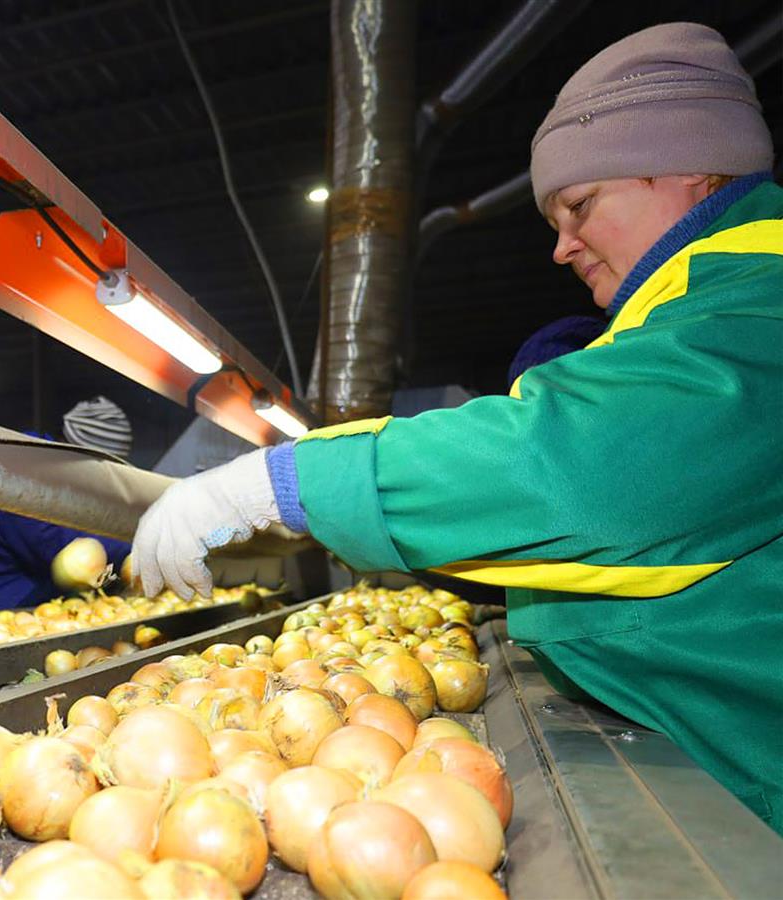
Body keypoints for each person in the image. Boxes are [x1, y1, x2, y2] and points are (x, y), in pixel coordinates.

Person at [132, 23, 782, 832]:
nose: (561, 247)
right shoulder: (705, 309)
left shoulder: (757, 309)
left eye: (579, 205)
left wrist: (287, 482)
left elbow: (576, 465)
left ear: (694, 168)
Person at [0, 397, 134, 611]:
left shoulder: (65, 485)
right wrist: (136, 550)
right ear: (79, 454)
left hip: (23, 613)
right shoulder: (24, 472)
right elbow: (58, 545)